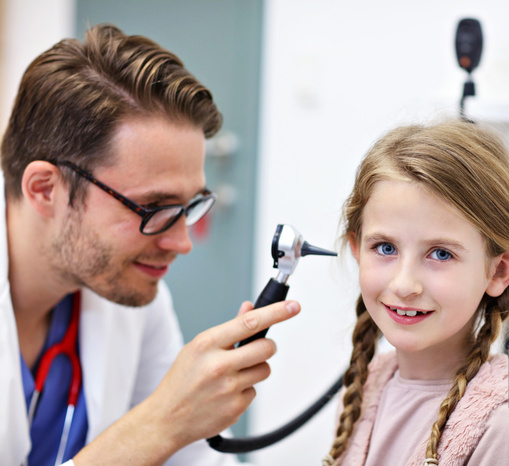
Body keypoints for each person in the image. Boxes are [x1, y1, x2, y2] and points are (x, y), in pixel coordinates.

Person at [0, 24, 301, 465]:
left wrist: (180, 421)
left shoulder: (129, 294)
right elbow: (167, 429)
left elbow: (199, 459)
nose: (182, 243)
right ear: (46, 189)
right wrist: (161, 423)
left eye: (191, 205)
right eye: (153, 208)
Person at [323, 120, 509, 465]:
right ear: (357, 249)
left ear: (499, 271)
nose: (405, 285)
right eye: (386, 248)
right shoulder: (366, 388)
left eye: (441, 254)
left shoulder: (507, 428)